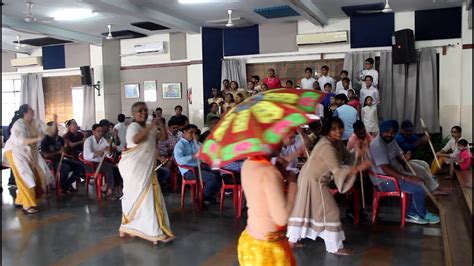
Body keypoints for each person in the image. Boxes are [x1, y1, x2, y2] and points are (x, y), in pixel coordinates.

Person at [287, 117, 371, 255]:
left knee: (303, 209)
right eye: (334, 129)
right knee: (331, 212)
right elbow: (338, 170)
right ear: (327, 131)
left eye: (340, 127)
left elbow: (348, 158)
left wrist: (358, 152)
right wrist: (359, 168)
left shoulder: (336, 143)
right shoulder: (327, 147)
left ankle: (292, 240)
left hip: (311, 178)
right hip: (314, 181)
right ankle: (335, 246)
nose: (338, 131)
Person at [118, 101, 174, 244]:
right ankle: (149, 231)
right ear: (133, 113)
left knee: (149, 197)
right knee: (136, 196)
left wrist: (160, 124)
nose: (143, 113)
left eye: (145, 110)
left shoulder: (150, 127)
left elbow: (163, 138)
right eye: (140, 111)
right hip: (134, 169)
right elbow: (136, 140)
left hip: (147, 168)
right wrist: (150, 126)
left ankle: (141, 228)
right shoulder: (133, 127)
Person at [369, 120, 440, 224]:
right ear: (381, 131)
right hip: (383, 181)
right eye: (387, 131)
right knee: (417, 186)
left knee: (419, 180)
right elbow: (386, 169)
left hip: (393, 175)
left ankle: (414, 212)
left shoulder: (391, 140)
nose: (390, 134)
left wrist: (404, 157)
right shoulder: (377, 145)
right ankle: (416, 214)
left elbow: (399, 153)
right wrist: (406, 178)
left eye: (393, 132)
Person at [237, 153, 297, 265]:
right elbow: (282, 218)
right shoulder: (269, 172)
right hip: (268, 249)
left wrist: (277, 169)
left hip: (250, 238)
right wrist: (293, 183)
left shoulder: (247, 164)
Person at [2, 104, 55, 214]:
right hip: (15, 151)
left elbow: (50, 132)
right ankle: (27, 205)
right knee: (26, 177)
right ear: (25, 113)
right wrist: (37, 139)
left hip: (29, 152)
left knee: (38, 175)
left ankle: (20, 199)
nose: (33, 110)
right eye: (31, 109)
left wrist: (55, 121)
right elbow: (20, 141)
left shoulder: (36, 122)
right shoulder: (19, 124)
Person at [394, 120, 448, 195]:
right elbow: (410, 147)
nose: (409, 132)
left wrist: (426, 136)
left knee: (424, 164)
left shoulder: (409, 135)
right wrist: (422, 140)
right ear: (401, 130)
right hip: (401, 163)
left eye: (410, 130)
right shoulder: (398, 138)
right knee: (421, 169)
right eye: (406, 131)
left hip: (406, 160)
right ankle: (432, 189)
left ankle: (433, 186)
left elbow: (417, 139)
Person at [174, 124, 220, 204]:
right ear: (184, 132)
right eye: (191, 132)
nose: (193, 135)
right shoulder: (179, 145)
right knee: (212, 178)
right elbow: (180, 161)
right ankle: (202, 198)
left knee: (218, 171)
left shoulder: (193, 143)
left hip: (198, 167)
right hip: (188, 171)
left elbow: (202, 152)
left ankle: (209, 195)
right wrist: (193, 156)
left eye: (195, 133)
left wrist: (196, 142)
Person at [41, 121, 84, 193]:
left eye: (57, 128)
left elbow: (65, 149)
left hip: (61, 160)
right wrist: (58, 152)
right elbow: (45, 155)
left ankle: (65, 184)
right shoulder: (45, 141)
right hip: (50, 163)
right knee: (66, 167)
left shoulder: (60, 139)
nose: (57, 130)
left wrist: (65, 148)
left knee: (80, 166)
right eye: (55, 129)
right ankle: (63, 186)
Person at [83, 124, 122, 200]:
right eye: (98, 131)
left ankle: (115, 189)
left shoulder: (103, 140)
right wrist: (101, 151)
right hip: (90, 165)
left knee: (116, 168)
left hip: (100, 165)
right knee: (109, 167)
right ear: (93, 132)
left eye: (101, 131)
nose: (100, 133)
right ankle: (109, 191)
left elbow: (109, 155)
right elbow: (87, 156)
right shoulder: (88, 141)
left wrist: (109, 148)